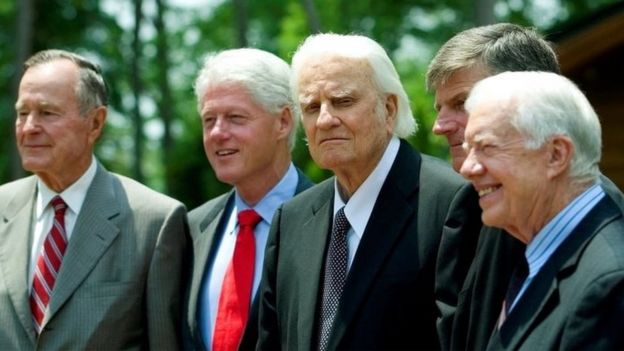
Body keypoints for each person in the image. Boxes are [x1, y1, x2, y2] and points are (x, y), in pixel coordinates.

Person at [256, 33, 481, 350]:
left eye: (343, 101)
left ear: (389, 109)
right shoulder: (291, 220)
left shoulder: (451, 202)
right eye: (310, 106)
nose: (324, 119)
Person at [426, 23, 624, 351]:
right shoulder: (474, 204)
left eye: (463, 102)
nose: (439, 126)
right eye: (440, 108)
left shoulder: (607, 275)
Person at [0, 49, 188, 349]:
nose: (30, 127)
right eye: (23, 113)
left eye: (47, 113)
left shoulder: (153, 222)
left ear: (96, 123)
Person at [182, 48, 313, 351]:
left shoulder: (332, 219)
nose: (217, 133)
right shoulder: (191, 228)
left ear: (283, 122)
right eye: (208, 119)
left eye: (235, 118)